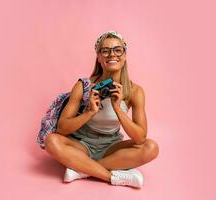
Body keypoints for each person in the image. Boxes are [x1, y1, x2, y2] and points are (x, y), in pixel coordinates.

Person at [44, 30, 159, 188]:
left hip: (111, 146)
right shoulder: (83, 86)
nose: (112, 55)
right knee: (51, 141)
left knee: (151, 147)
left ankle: (82, 168)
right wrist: (90, 112)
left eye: (117, 50)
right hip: (82, 143)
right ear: (98, 57)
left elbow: (140, 138)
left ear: (125, 55)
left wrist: (117, 108)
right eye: (105, 51)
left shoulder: (135, 91)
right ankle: (110, 176)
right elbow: (61, 129)